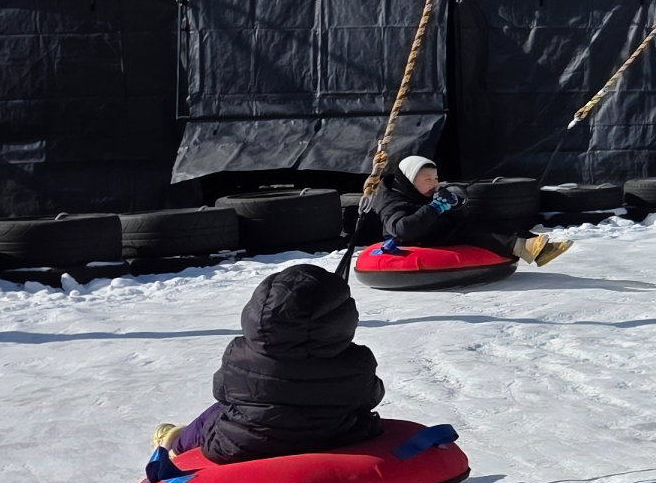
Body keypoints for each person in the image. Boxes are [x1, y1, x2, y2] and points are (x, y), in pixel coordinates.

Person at [150, 262, 385, 466]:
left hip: (243, 446)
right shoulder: (358, 361)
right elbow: (371, 397)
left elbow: (221, 393)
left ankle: (176, 443)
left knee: (218, 412)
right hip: (333, 437)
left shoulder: (238, 353)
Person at [370, 155, 567, 266]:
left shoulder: (422, 193)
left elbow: (455, 215)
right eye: (428, 179)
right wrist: (435, 208)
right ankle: (522, 247)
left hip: (430, 229)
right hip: (410, 242)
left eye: (436, 178)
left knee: (479, 219)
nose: (434, 183)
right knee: (468, 232)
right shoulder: (391, 200)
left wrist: (452, 204)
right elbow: (402, 229)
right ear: (410, 180)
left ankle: (535, 245)